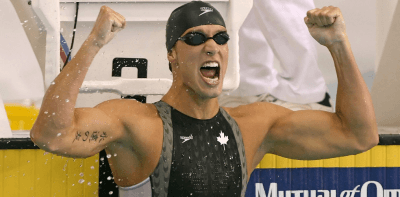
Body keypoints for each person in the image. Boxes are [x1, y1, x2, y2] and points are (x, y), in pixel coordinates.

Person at [31, 1, 379, 196]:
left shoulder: (252, 126)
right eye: (195, 38)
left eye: (221, 37)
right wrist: (92, 44)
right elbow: (52, 134)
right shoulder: (136, 122)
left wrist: (338, 45)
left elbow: (359, 135)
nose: (212, 45)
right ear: (172, 55)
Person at [219, 0, 332, 112]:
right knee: (242, 4)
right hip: (245, 87)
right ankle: (250, 86)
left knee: (281, 3)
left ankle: (307, 92)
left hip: (306, 94)